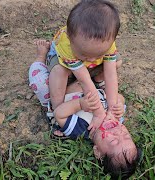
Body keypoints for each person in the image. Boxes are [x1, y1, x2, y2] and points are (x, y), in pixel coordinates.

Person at [29, 40, 141, 179]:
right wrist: (118, 104)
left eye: (113, 141)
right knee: (116, 62)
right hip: (87, 81)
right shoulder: (117, 118)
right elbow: (120, 98)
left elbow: (60, 114)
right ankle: (97, 79)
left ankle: (41, 56)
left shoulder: (82, 129)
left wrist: (80, 105)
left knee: (42, 82)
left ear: (97, 152)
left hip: (61, 87)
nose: (117, 132)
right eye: (126, 136)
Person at [46, 0, 123, 132]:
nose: (92, 59)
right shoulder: (67, 45)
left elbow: (111, 75)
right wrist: (99, 113)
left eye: (100, 54)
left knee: (116, 62)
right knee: (59, 71)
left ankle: (98, 81)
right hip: (66, 64)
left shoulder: (107, 44)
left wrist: (112, 109)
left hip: (85, 67)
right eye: (84, 54)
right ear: (70, 38)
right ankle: (55, 110)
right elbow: (84, 80)